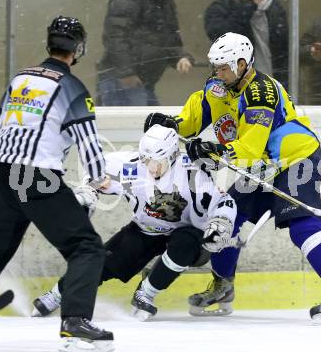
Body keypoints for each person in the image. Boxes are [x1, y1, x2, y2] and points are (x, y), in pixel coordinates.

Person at [144, 32, 321, 322]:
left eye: (224, 67)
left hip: (294, 159)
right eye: (216, 67)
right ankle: (223, 286)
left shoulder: (261, 93)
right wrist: (173, 125)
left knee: (299, 224)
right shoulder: (219, 84)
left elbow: (249, 148)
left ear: (241, 63)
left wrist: (213, 150)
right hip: (262, 166)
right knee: (224, 222)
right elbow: (198, 114)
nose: (218, 73)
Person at [0, 16, 114, 350]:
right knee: (86, 247)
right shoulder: (72, 87)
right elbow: (88, 141)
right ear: (78, 49)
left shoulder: (21, 77)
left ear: (50, 43)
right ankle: (75, 321)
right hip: (34, 178)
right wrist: (101, 180)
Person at [31, 125, 237, 321]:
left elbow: (224, 201)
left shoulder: (192, 173)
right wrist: (89, 188)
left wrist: (222, 222)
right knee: (102, 262)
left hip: (186, 235)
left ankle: (146, 293)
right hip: (145, 230)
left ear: (173, 156)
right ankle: (56, 294)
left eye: (158, 161)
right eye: (147, 160)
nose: (152, 167)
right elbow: (97, 168)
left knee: (185, 242)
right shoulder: (132, 166)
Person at [96, 0, 194, 106]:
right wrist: (126, 73)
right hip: (123, 80)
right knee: (136, 122)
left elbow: (169, 37)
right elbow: (115, 36)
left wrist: (181, 57)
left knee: (152, 121)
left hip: (142, 79)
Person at [204, 0, 289, 88]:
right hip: (233, 81)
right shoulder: (222, 6)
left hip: (269, 80)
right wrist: (248, 8)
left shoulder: (273, 7)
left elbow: (283, 47)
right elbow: (219, 35)